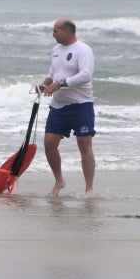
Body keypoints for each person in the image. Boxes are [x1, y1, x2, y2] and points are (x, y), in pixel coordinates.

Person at [37, 18, 95, 197]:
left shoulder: (83, 50)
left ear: (68, 31)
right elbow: (53, 73)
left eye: (56, 31)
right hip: (59, 106)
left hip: (81, 105)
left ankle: (89, 189)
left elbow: (85, 75)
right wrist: (45, 83)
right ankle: (59, 180)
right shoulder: (56, 50)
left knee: (84, 145)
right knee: (49, 143)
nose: (53, 34)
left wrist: (61, 83)